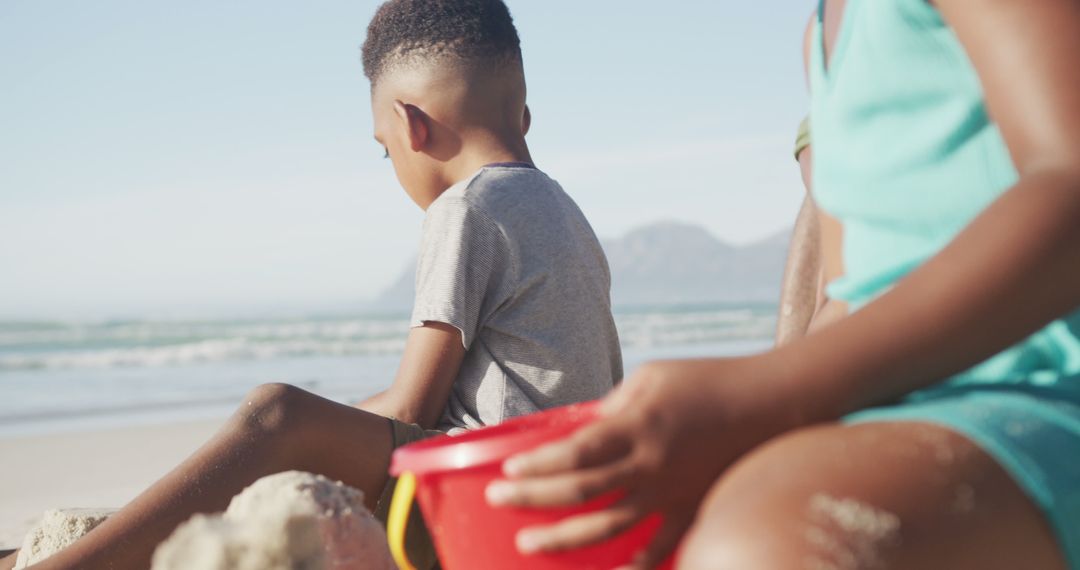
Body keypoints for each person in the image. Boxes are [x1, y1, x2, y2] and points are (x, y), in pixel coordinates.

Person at [0, 1, 621, 568]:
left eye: (384, 150)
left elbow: (414, 408)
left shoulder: (467, 208)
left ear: (410, 125)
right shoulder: (566, 213)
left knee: (274, 414)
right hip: (564, 495)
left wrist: (299, 435)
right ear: (525, 117)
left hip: (484, 496)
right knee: (289, 432)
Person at [486, 0, 1080, 568]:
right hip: (908, 396)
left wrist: (763, 393)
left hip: (1046, 387)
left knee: (765, 544)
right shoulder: (819, 34)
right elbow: (851, 295)